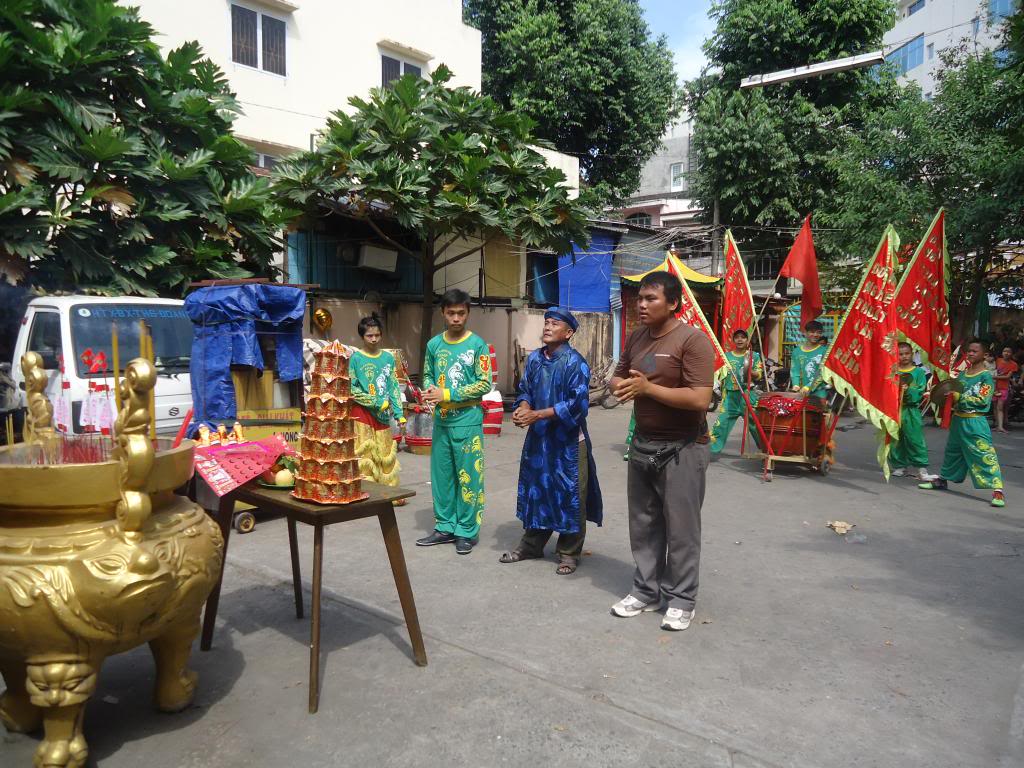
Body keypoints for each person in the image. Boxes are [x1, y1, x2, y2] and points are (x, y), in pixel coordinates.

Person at [610, 271, 714, 631]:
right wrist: (624, 386)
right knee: (643, 523)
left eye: (651, 298)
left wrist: (648, 390)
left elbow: (701, 398)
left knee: (681, 529)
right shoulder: (638, 337)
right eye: (640, 298)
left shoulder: (693, 341)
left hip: (683, 447)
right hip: (642, 444)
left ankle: (682, 599)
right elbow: (620, 374)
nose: (641, 304)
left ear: (673, 303)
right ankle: (645, 590)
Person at [499, 308, 603, 575]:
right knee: (537, 490)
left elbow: (577, 405)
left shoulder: (575, 363)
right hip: (539, 439)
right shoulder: (534, 359)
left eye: (554, 324)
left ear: (568, 333)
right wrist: (523, 408)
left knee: (571, 494)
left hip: (568, 442)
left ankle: (569, 552)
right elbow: (525, 390)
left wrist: (537, 414)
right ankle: (532, 544)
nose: (547, 327)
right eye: (546, 322)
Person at [416, 289, 493, 554]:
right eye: (451, 313)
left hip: (468, 421)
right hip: (442, 422)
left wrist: (446, 394)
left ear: (468, 313)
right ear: (443, 313)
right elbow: (427, 374)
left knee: (469, 477)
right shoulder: (434, 345)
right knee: (442, 477)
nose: (456, 318)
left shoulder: (477, 345)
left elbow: (484, 383)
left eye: (461, 313)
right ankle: (445, 527)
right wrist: (428, 392)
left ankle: (466, 531)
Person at [919, 339, 1005, 508]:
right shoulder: (963, 374)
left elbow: (983, 400)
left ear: (984, 355)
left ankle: (998, 491)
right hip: (958, 419)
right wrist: (938, 395)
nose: (971, 353)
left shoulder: (986, 377)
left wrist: (958, 397)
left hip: (975, 421)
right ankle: (942, 481)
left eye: (975, 351)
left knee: (983, 453)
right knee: (953, 452)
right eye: (969, 351)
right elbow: (952, 394)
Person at [349, 314, 405, 499]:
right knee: (365, 455)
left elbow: (393, 386)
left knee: (385, 452)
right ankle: (365, 492)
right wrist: (376, 402)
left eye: (377, 335)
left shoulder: (388, 358)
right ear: (362, 336)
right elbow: (351, 389)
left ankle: (389, 493)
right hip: (362, 413)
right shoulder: (355, 359)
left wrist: (399, 413)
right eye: (369, 336)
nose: (373, 339)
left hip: (383, 414)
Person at [709, 329, 762, 455]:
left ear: (747, 340)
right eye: (737, 337)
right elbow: (719, 375)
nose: (740, 340)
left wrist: (749, 370)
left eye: (743, 337)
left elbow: (759, 375)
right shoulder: (726, 357)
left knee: (756, 424)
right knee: (721, 423)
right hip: (730, 396)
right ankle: (711, 450)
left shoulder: (754, 356)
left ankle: (766, 449)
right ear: (733, 340)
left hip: (748, 395)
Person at [889, 342, 935, 481]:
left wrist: (908, 390)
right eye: (900, 354)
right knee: (895, 439)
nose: (904, 357)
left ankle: (922, 469)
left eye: (906, 353)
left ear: (912, 353)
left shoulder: (919, 372)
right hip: (895, 410)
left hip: (910, 410)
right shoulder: (892, 371)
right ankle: (899, 466)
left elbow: (920, 391)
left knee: (915, 439)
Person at [789, 320, 828, 399]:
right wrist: (795, 385)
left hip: (819, 394)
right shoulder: (796, 351)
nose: (815, 335)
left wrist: (808, 386)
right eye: (812, 332)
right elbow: (795, 371)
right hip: (801, 394)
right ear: (805, 333)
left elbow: (823, 373)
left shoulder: (825, 351)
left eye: (819, 332)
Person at [994, 346, 1019, 433]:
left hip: (1004, 387)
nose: (1006, 353)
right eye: (1005, 351)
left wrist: (994, 377)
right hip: (994, 387)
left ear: (1011, 354)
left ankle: (1000, 426)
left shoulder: (1014, 364)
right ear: (1002, 353)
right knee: (995, 406)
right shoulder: (997, 361)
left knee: (1000, 407)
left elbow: (1008, 377)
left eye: (1008, 352)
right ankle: (997, 425)